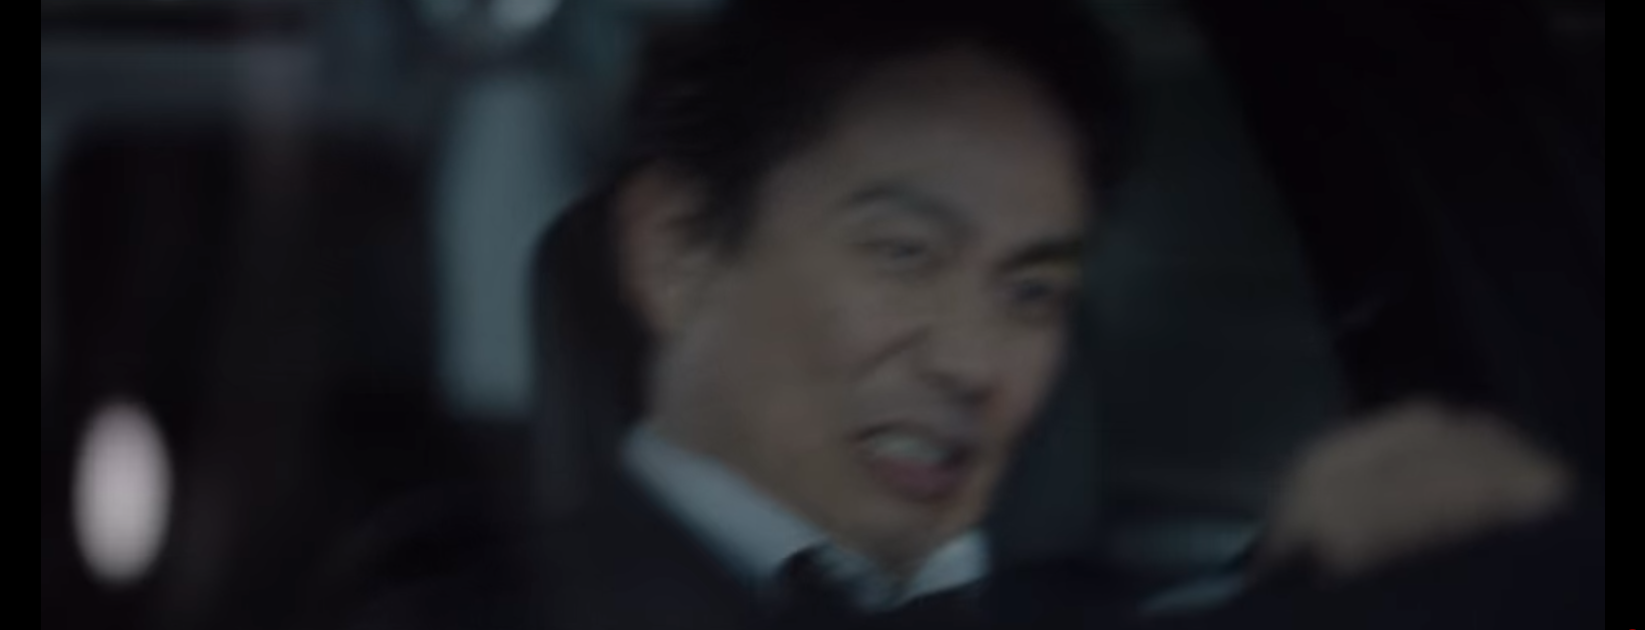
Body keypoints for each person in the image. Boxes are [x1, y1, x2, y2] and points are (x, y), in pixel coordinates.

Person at [307, 1, 1591, 628]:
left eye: (1031, 290)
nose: (977, 363)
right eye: (904, 254)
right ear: (678, 249)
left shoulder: (1118, 602)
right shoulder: (465, 599)